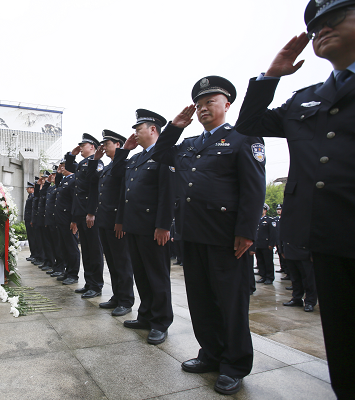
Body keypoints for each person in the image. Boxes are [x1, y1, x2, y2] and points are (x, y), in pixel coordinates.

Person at [234, 3, 355, 396]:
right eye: (315, 25)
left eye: (334, 18)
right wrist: (271, 75)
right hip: (327, 236)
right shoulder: (307, 98)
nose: (322, 29)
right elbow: (249, 125)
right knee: (342, 340)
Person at [152, 76, 266, 395]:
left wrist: (246, 232)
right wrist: (175, 126)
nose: (203, 108)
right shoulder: (189, 144)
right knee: (201, 301)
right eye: (199, 104)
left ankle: (235, 364)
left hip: (227, 237)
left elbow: (254, 188)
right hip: (193, 235)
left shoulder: (244, 137)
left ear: (226, 105)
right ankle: (211, 354)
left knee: (230, 303)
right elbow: (160, 155)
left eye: (210, 102)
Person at [110, 109, 174, 346]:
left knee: (157, 277)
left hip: (153, 228)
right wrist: (124, 150)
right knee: (142, 275)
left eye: (139, 129)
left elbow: (168, 193)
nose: (135, 133)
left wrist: (163, 225)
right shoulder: (135, 158)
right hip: (134, 226)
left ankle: (161, 322)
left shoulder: (164, 154)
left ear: (153, 129)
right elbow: (117, 177)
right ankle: (145, 316)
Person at [86, 130, 135, 317]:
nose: (103, 147)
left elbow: (125, 194)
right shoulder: (106, 167)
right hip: (104, 220)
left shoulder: (125, 165)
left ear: (118, 145)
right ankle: (117, 295)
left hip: (117, 222)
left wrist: (121, 220)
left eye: (107, 144)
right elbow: (92, 181)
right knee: (113, 262)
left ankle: (126, 300)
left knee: (122, 262)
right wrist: (95, 160)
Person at [65, 134, 105, 298]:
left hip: (90, 213)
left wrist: (92, 212)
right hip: (81, 212)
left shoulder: (97, 164)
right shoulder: (82, 164)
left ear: (93, 147)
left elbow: (95, 189)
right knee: (87, 250)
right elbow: (70, 166)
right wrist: (71, 155)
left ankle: (96, 286)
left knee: (94, 250)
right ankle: (89, 283)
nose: (81, 147)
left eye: (84, 145)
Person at [54, 159, 81, 285]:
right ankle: (67, 271)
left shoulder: (73, 180)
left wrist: (74, 220)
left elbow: (75, 201)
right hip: (61, 219)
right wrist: (59, 173)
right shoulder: (65, 180)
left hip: (68, 219)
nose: (62, 168)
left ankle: (73, 274)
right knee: (63, 247)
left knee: (71, 248)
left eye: (64, 166)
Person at [254, 204, 276, 284]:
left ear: (265, 210)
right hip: (258, 244)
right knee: (260, 261)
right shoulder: (257, 220)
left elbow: (273, 233)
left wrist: (271, 243)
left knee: (268, 262)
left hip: (266, 245)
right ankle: (263, 276)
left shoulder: (270, 220)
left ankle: (269, 277)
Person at [24, 182, 38, 262]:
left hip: (30, 220)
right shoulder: (30, 196)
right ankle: (33, 254)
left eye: (28, 188)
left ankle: (35, 254)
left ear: (32, 188)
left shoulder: (33, 197)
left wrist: (32, 220)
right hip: (28, 219)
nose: (26, 189)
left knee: (33, 238)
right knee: (30, 238)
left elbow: (33, 210)